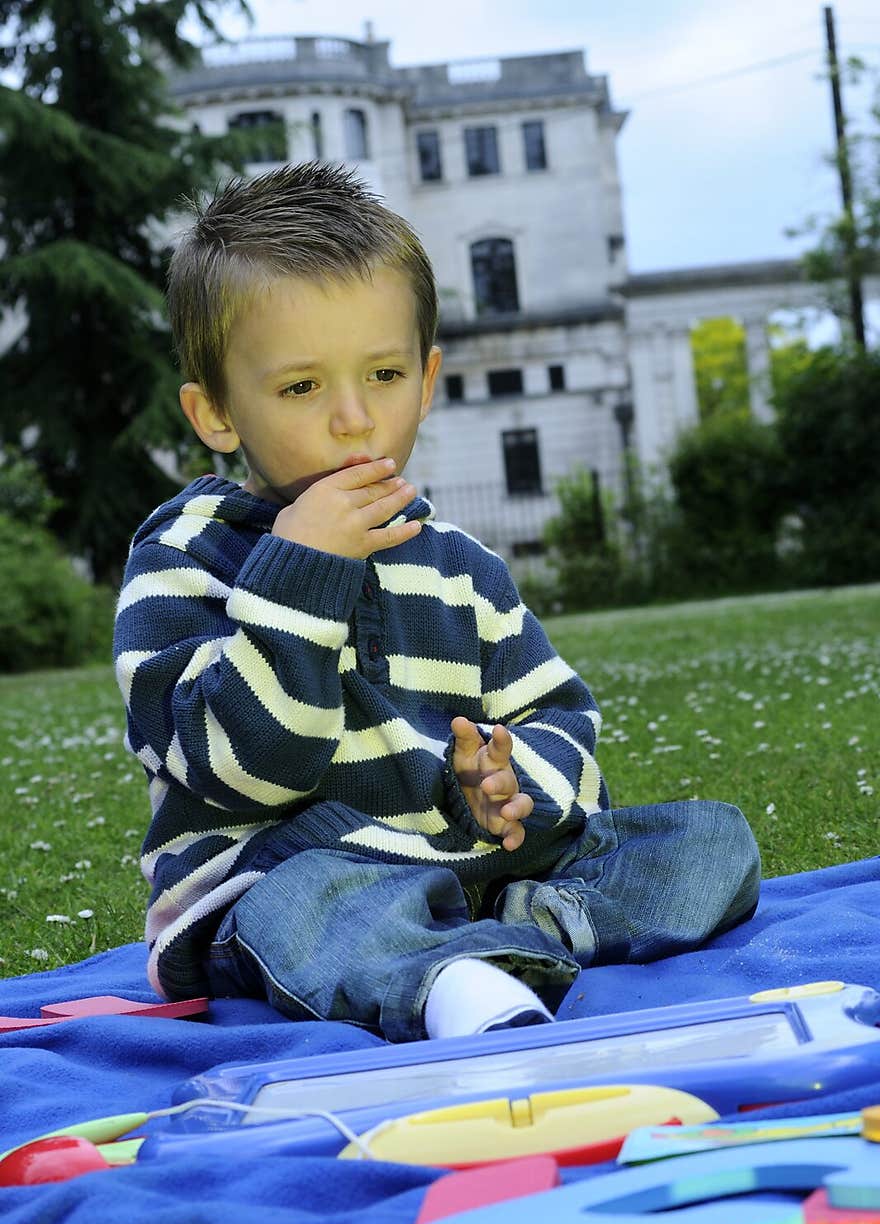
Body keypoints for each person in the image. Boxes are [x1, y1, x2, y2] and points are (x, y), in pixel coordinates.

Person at [112, 161, 761, 1043]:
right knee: (307, 906)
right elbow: (239, 769)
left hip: (463, 868)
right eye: (302, 387)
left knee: (707, 842)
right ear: (217, 413)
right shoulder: (184, 559)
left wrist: (506, 784)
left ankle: (514, 938)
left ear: (426, 378)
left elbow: (563, 725)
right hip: (277, 884)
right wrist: (299, 574)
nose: (354, 419)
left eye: (382, 375)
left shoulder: (462, 567)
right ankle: (461, 976)